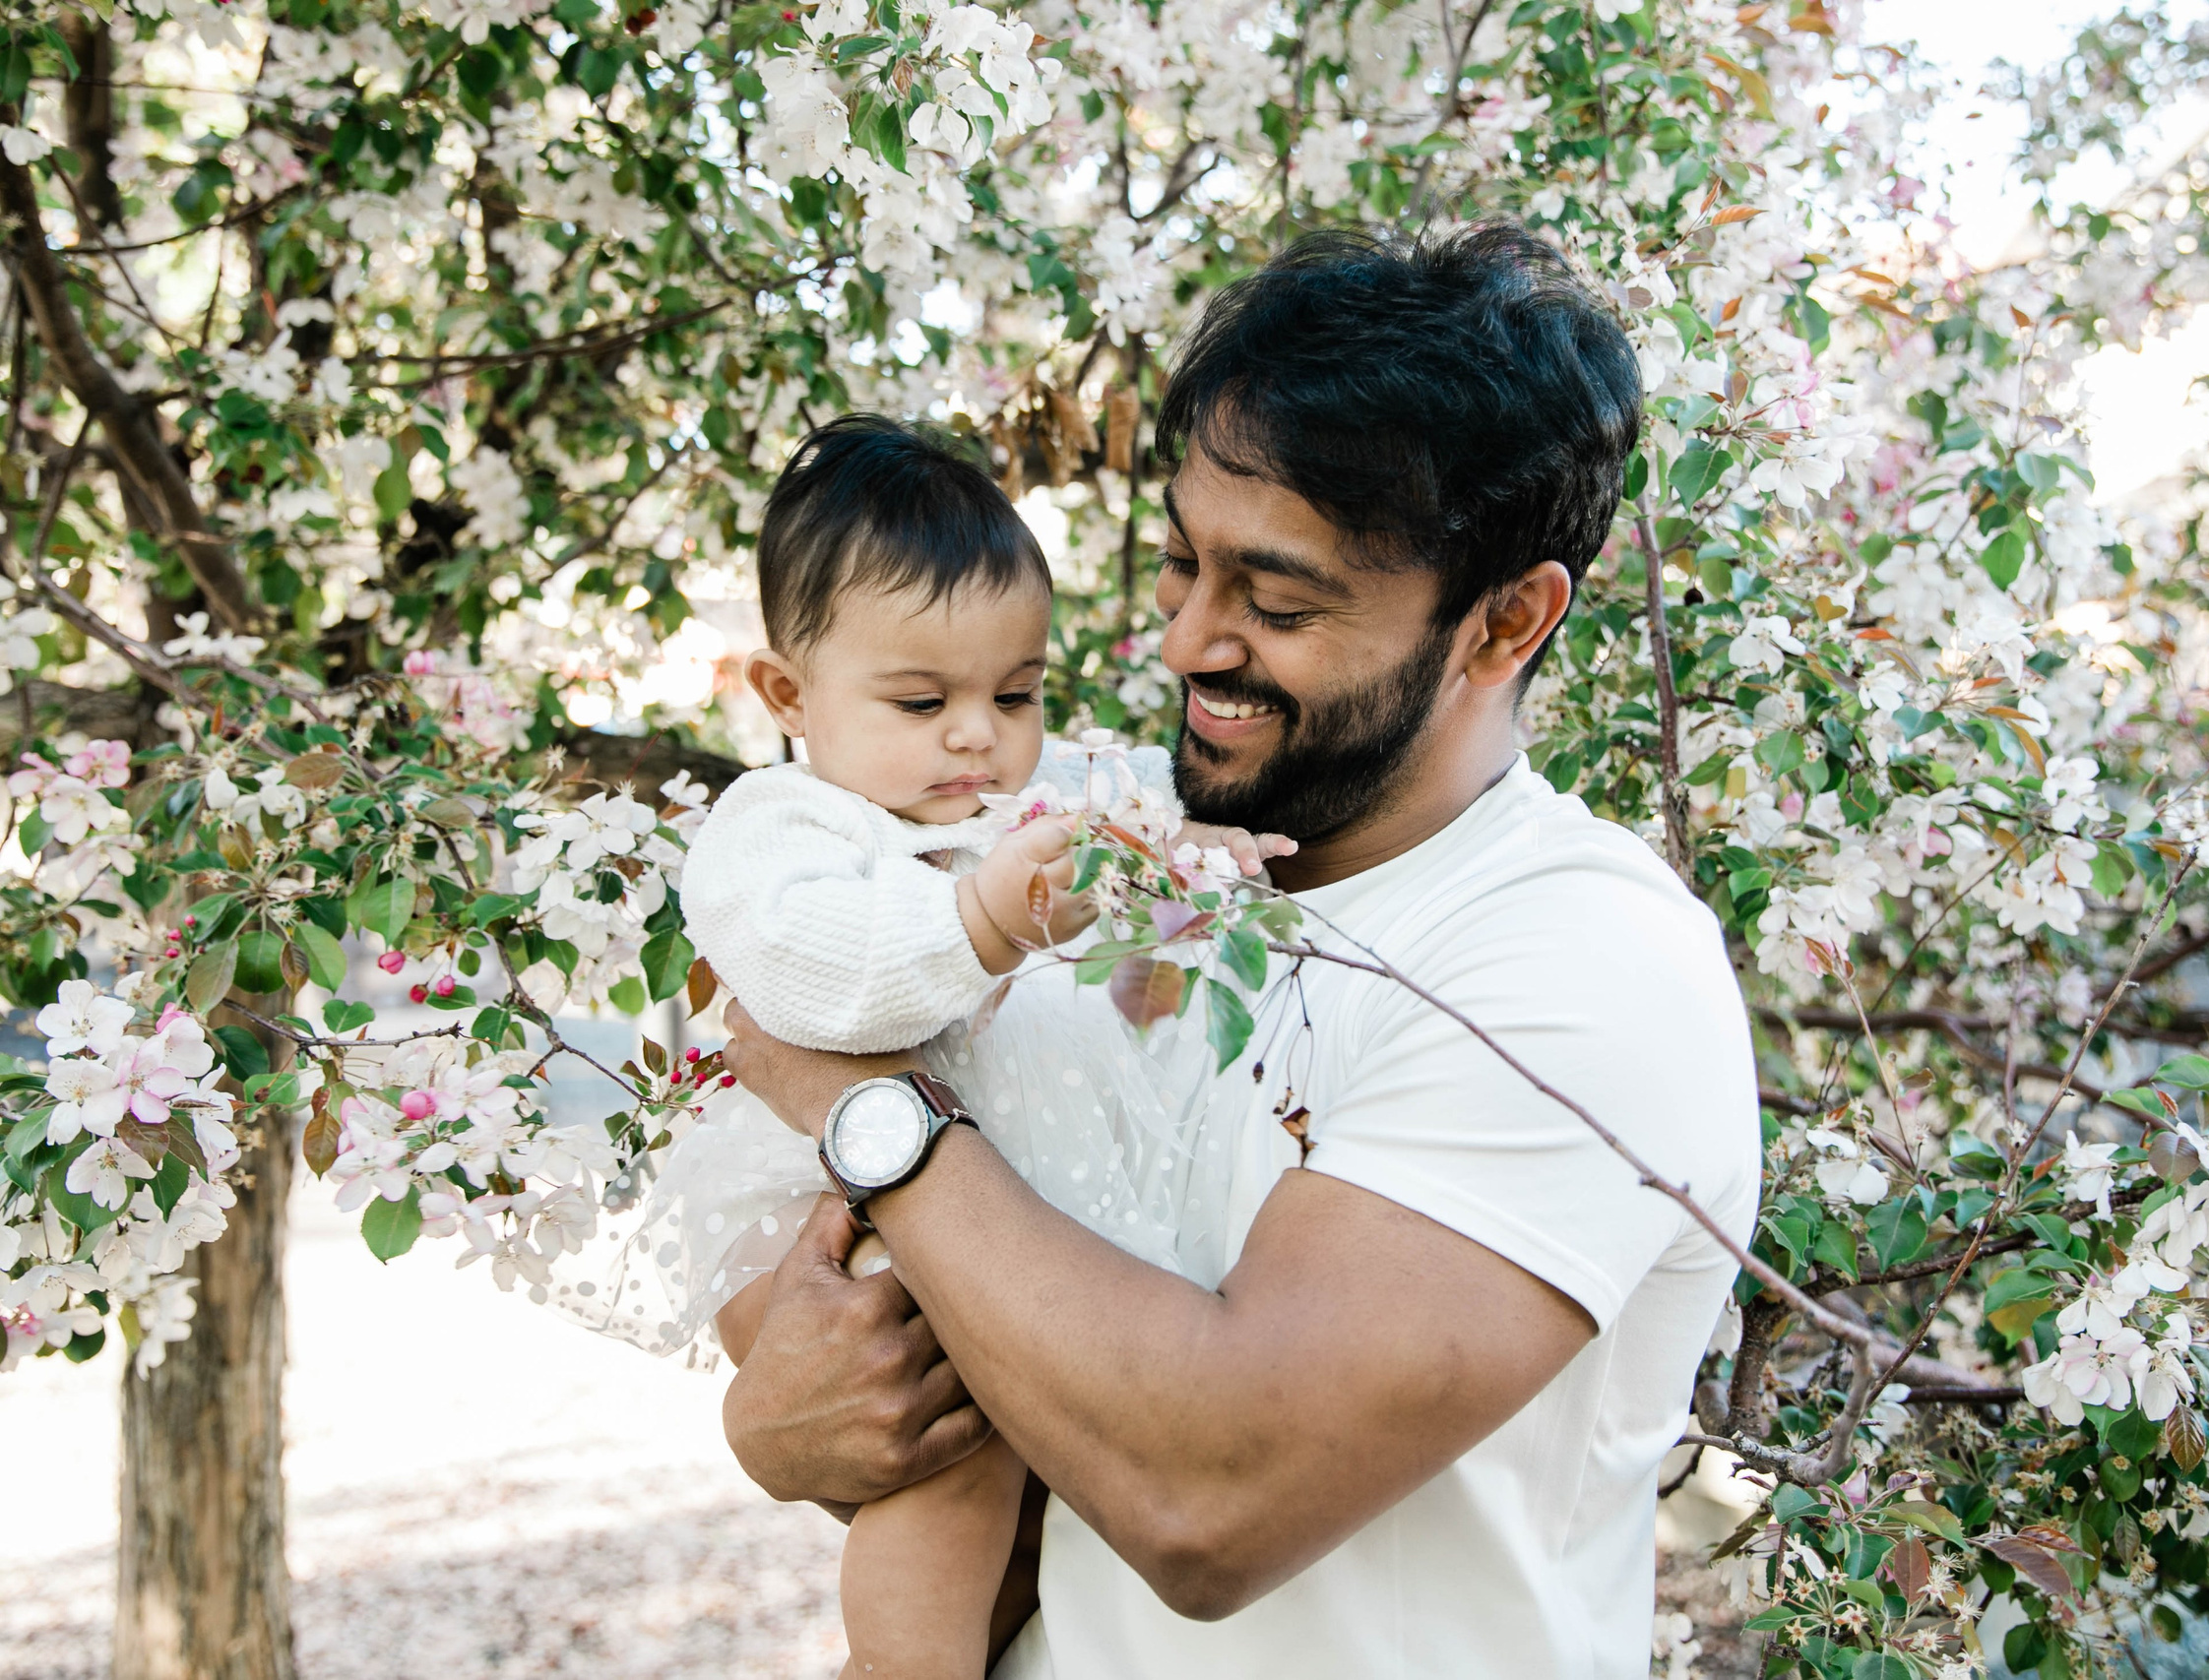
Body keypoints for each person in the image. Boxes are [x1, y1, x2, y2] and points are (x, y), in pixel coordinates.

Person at [716, 224, 1764, 1679]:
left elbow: (1205, 1496)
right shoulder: (1115, 869)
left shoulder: (1585, 958)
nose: (1187, 643)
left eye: (1276, 603)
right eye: (1180, 564)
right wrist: (785, 1418)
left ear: (1505, 621)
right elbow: (1009, 1386)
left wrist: (868, 1105)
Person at [585, 414, 1285, 1680]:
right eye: (923, 701)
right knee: (950, 1454)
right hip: (839, 1217)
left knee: (1037, 1468)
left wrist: (1198, 849)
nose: (977, 734)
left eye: (1015, 693)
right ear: (787, 695)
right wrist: (977, 920)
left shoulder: (1031, 796)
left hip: (992, 1198)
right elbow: (810, 972)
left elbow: (1138, 809)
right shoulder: (784, 826)